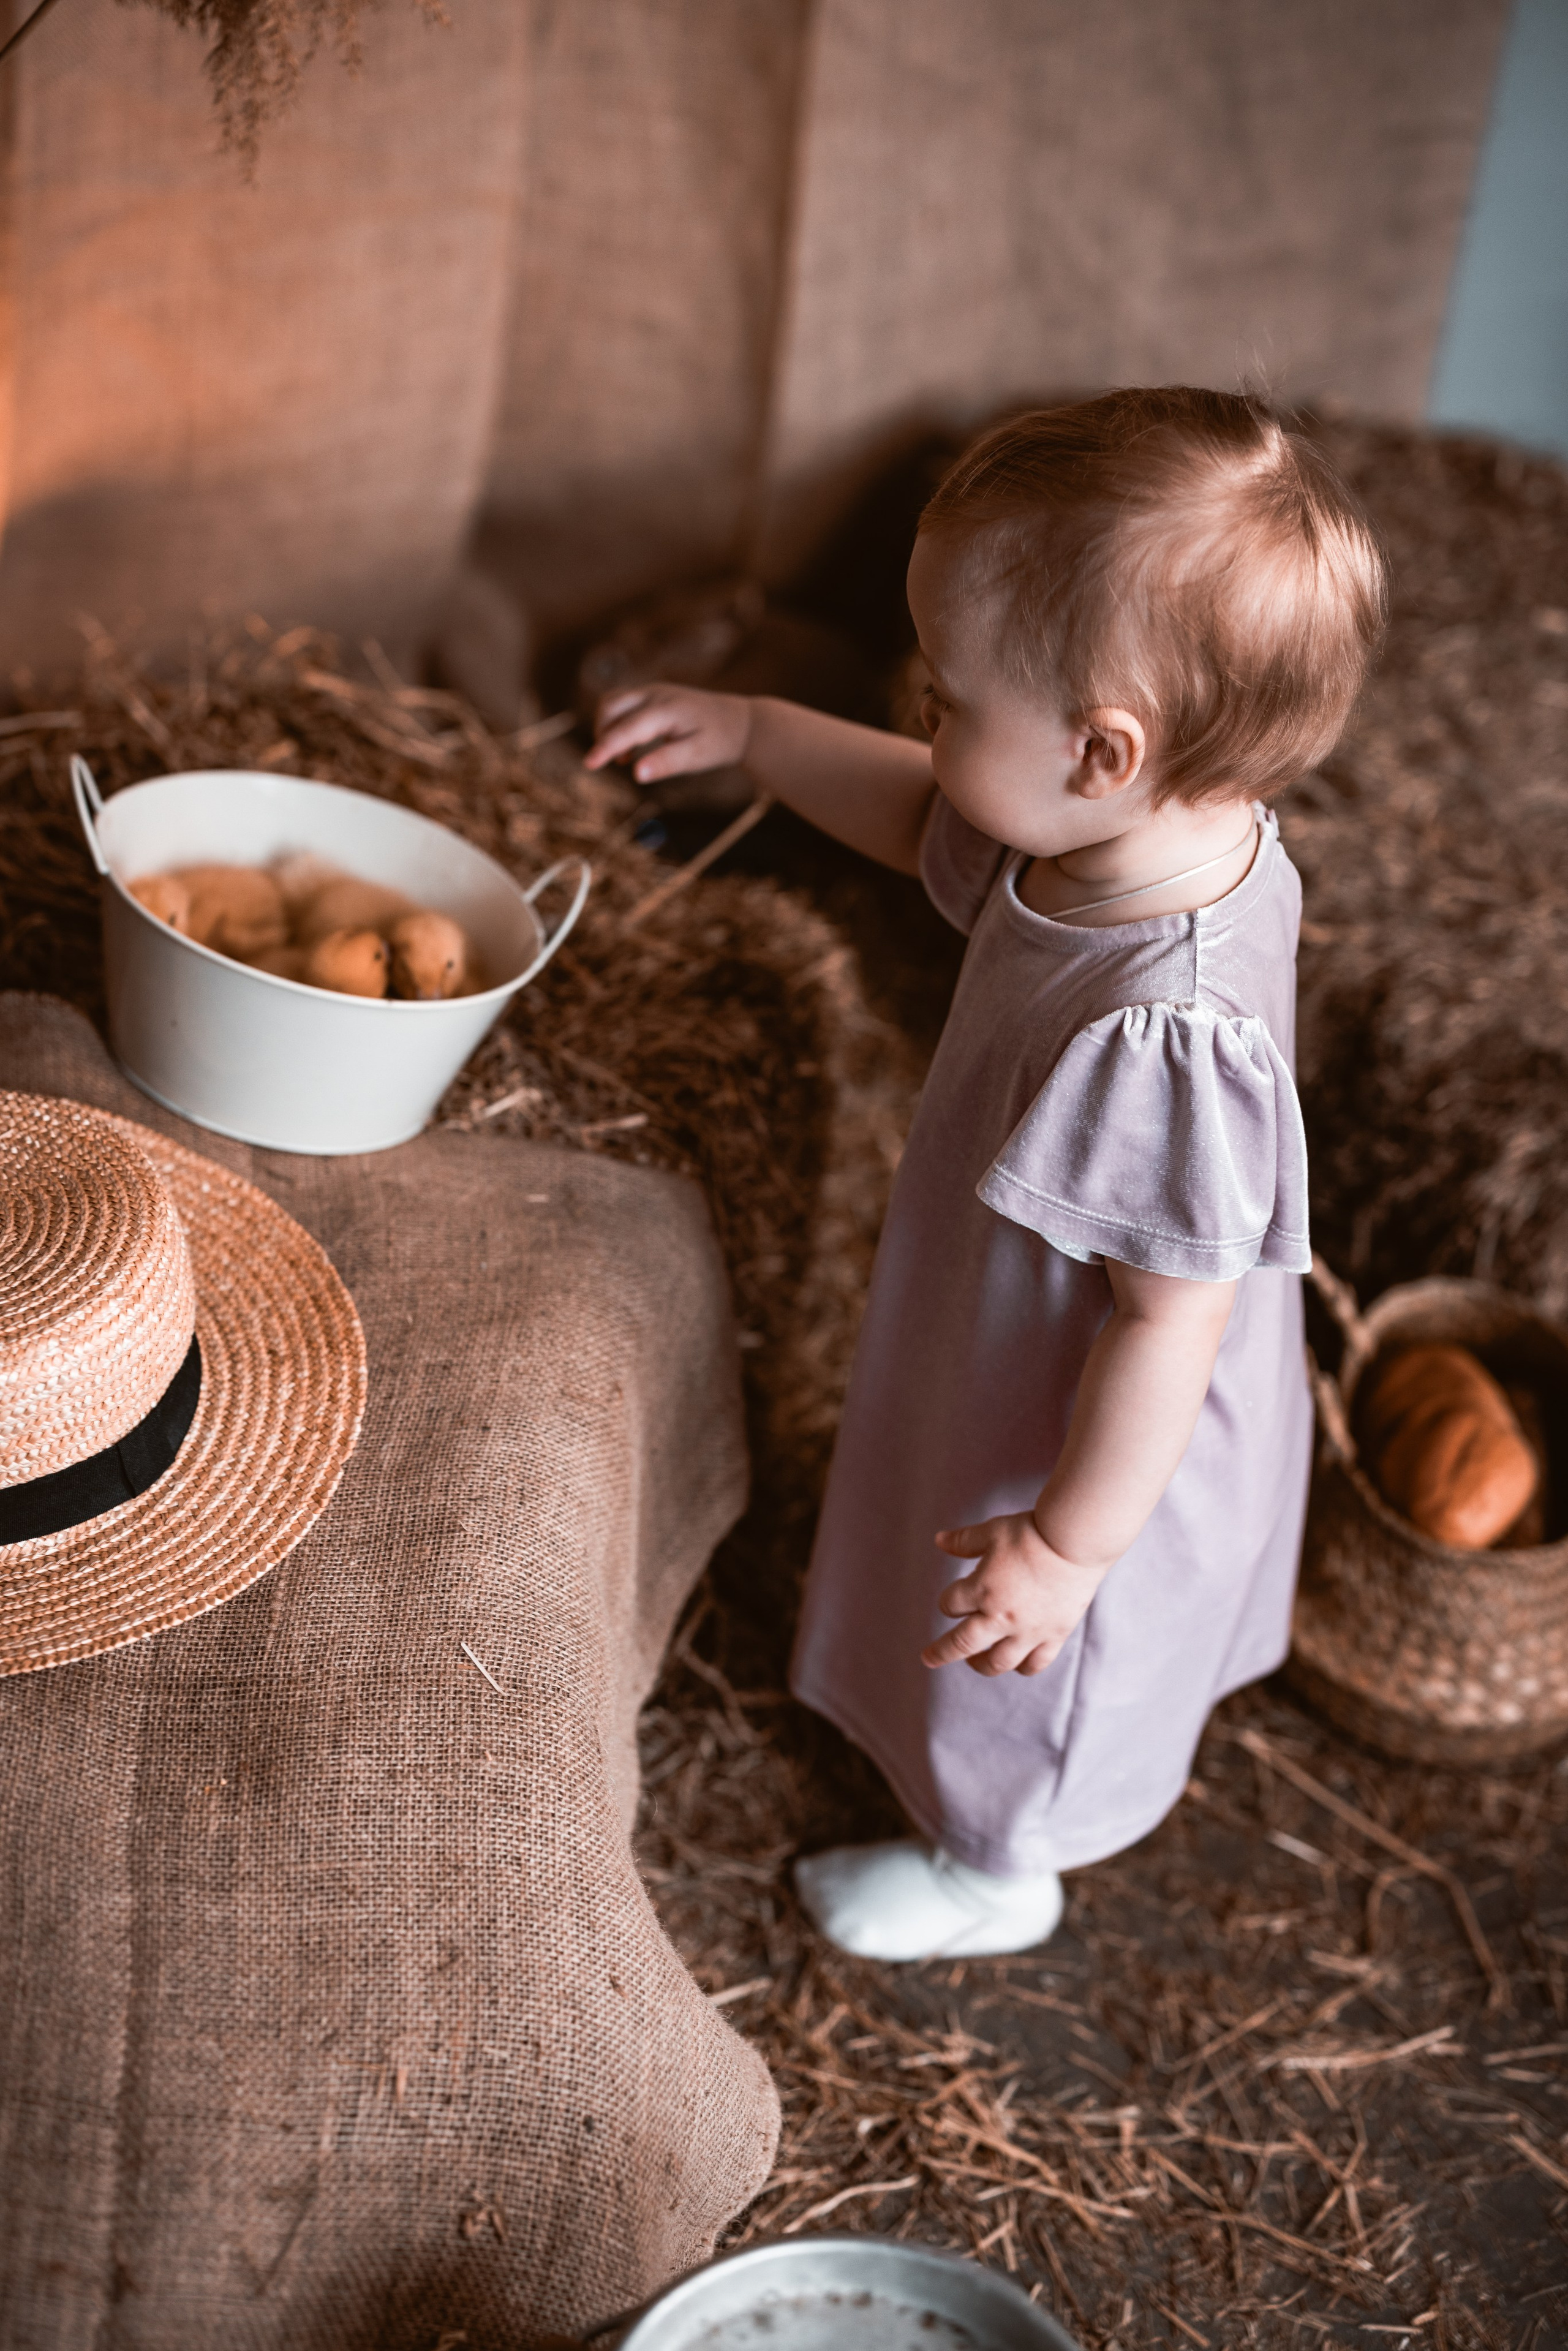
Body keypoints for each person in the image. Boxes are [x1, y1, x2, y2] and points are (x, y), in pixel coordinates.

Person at [587, 388, 1387, 1960]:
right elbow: (922, 813)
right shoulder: (1123, 827)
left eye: (947, 697)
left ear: (1102, 748)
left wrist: (1070, 1545)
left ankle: (995, 1865)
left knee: (1023, 1651)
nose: (921, 712)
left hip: (1099, 1411)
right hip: (1021, 1314)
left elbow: (1171, 1322)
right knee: (935, 1528)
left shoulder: (1170, 1024)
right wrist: (757, 733)